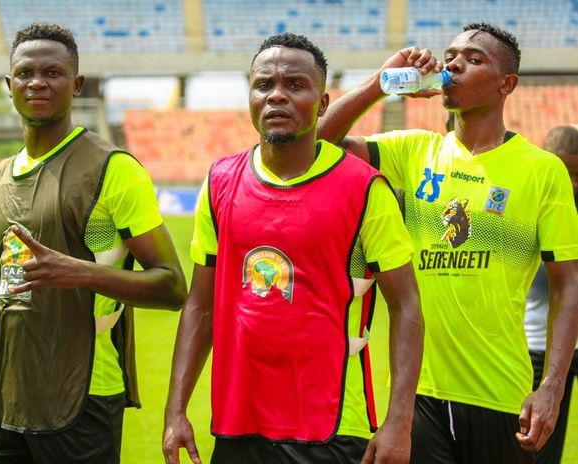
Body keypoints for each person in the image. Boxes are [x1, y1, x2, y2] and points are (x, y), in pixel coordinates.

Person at [318, 23, 578, 463]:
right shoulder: (413, 151)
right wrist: (380, 83)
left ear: (506, 84)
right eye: (451, 55)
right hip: (418, 396)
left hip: (500, 393)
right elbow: (315, 145)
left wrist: (552, 387)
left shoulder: (542, 170)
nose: (454, 64)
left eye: (474, 59)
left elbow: (567, 285)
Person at [162, 32, 424, 464]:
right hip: (238, 423)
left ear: (322, 104)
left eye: (295, 85)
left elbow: (406, 305)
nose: (277, 96)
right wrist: (175, 409)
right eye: (264, 85)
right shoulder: (221, 181)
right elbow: (201, 305)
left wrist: (399, 421)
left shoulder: (364, 188)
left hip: (331, 426)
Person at [0, 23, 187, 464]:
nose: (37, 82)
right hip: (11, 400)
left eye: (52, 73)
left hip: (83, 395)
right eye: (25, 73)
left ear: (76, 84)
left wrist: (79, 272)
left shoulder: (113, 169)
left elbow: (172, 287)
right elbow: (8, 299)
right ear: (9, 85)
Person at [524, 125, 578, 464]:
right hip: (533, 347)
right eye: (563, 170)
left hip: (566, 344)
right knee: (532, 448)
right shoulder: (528, 203)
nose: (571, 182)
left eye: (577, 173)